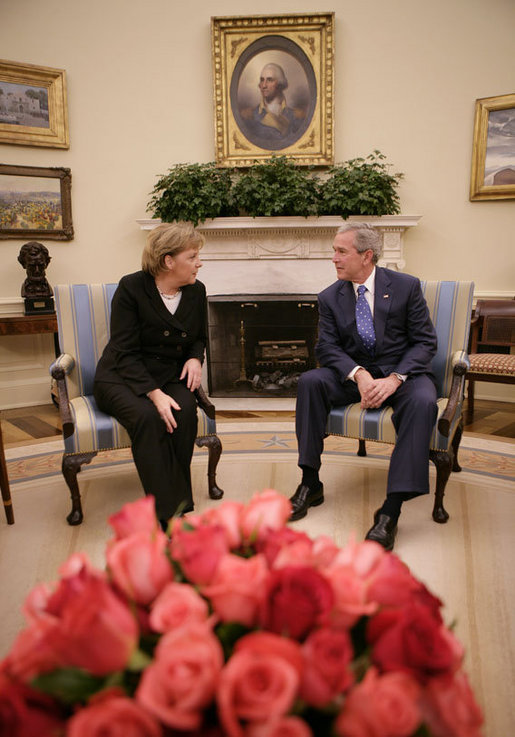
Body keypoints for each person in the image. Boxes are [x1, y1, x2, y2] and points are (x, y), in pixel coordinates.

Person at [289, 222, 438, 550]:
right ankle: (310, 482)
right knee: (311, 381)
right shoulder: (330, 297)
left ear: (367, 256)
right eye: (334, 251)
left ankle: (390, 510)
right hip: (356, 376)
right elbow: (326, 348)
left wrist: (395, 378)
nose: (334, 258)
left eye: (341, 251)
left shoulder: (405, 286)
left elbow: (425, 342)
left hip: (402, 376)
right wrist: (358, 374)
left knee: (424, 402)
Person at [93, 221, 206, 530]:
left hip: (170, 373)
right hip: (121, 375)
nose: (200, 262)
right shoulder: (131, 288)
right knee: (148, 417)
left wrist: (196, 359)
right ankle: (166, 517)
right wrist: (155, 395)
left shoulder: (197, 291)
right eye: (193, 256)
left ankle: (179, 504)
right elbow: (124, 352)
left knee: (184, 413)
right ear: (168, 261)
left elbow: (199, 337)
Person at [240, 63, 305, 144]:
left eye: (269, 80)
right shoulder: (248, 116)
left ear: (280, 84)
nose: (263, 85)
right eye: (262, 80)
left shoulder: (297, 116)